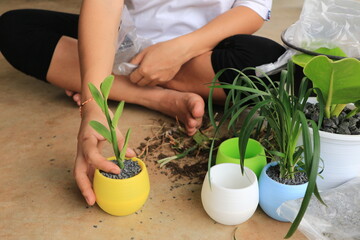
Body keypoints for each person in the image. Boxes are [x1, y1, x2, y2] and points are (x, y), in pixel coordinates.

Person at [0, 0, 285, 206]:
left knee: (267, 61)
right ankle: (157, 97)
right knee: (14, 27)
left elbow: (253, 8)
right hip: (124, 40)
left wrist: (178, 51)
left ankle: (114, 81)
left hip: (201, 48)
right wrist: (93, 106)